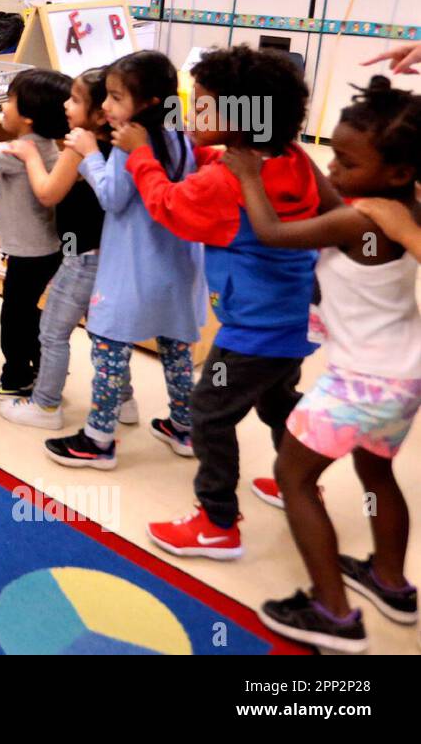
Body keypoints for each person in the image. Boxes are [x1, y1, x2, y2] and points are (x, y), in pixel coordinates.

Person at [225, 77, 421, 653]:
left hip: (361, 382)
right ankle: (391, 583)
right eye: (330, 156)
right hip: (403, 377)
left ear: (396, 172)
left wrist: (248, 176)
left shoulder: (357, 225)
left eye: (346, 161)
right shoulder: (393, 210)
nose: (333, 169)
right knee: (376, 473)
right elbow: (337, 201)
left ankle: (332, 613)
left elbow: (273, 231)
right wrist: (296, 156)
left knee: (293, 476)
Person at [123, 47, 325, 559]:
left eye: (205, 107)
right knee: (277, 399)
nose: (192, 115)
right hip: (297, 320)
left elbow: (169, 205)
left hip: (252, 329)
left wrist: (141, 156)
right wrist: (206, 149)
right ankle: (300, 480)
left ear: (239, 119)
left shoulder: (222, 180)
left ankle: (217, 522)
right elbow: (222, 163)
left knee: (209, 413)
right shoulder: (288, 157)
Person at [43, 51, 207, 471]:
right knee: (175, 349)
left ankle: (99, 439)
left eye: (115, 98)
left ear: (148, 103)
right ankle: (186, 428)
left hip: (133, 271)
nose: (106, 107)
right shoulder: (179, 137)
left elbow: (113, 199)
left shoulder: (127, 142)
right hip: (175, 269)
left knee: (109, 349)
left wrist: (89, 153)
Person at [0, 68, 140, 430]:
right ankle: (124, 401)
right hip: (113, 256)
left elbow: (47, 193)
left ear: (98, 114)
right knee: (104, 333)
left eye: (75, 100)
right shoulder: (122, 144)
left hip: (83, 259)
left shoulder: (80, 143)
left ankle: (45, 406)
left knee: (52, 331)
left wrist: (30, 158)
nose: (66, 104)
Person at [0, 70, 72, 400]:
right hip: (44, 250)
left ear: (28, 117)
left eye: (10, 100)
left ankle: (15, 377)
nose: (4, 105)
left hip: (29, 254)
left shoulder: (25, 151)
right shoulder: (41, 146)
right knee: (27, 312)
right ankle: (46, 364)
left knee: (13, 319)